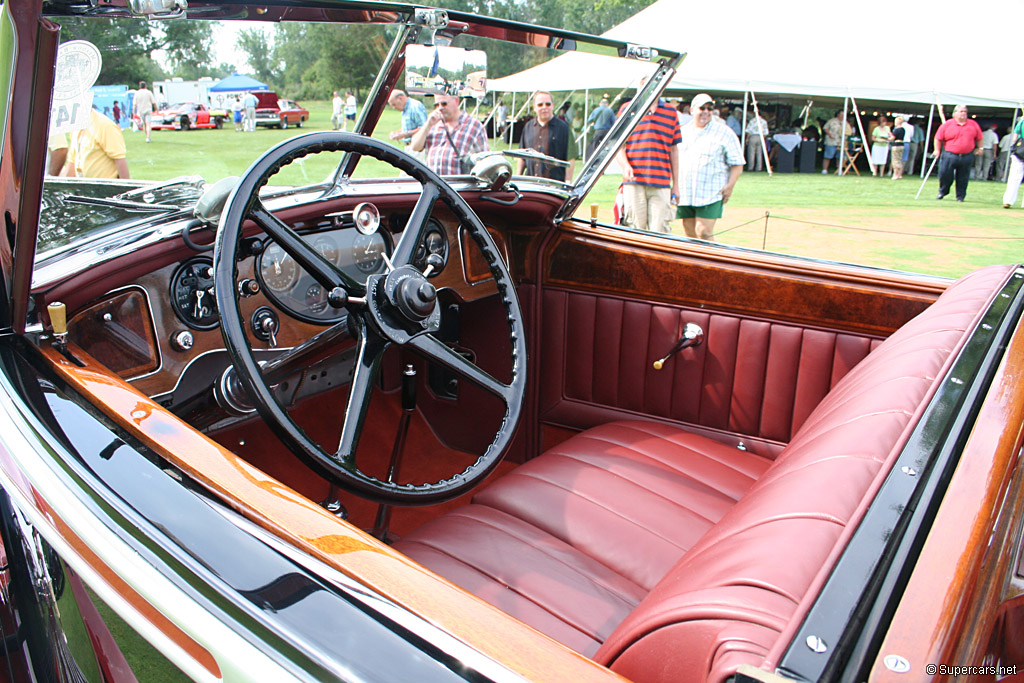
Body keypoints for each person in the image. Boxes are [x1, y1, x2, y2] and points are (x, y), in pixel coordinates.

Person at [675, 93, 743, 241]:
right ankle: (694, 263)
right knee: (689, 233)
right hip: (685, 191)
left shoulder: (724, 132)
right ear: (692, 110)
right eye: (702, 108)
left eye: (709, 108)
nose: (706, 111)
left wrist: (730, 186)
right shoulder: (681, 132)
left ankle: (710, 263)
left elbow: (737, 163)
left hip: (711, 191)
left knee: (704, 231)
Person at [614, 87, 680, 233]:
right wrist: (625, 166)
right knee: (634, 230)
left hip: (661, 182)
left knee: (660, 233)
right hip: (634, 181)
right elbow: (618, 146)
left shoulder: (671, 112)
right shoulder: (628, 109)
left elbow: (674, 150)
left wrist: (676, 185)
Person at [409, 94, 489, 175]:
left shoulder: (474, 126)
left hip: (460, 185)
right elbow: (415, 147)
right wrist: (428, 124)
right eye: (436, 105)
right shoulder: (433, 125)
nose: (440, 108)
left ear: (456, 101)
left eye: (444, 104)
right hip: (433, 184)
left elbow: (485, 161)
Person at [517, 91, 576, 182]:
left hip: (553, 186)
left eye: (548, 104)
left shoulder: (564, 128)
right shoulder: (528, 127)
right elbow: (522, 156)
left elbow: (570, 158)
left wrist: (568, 182)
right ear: (534, 107)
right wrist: (518, 178)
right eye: (540, 105)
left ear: (552, 105)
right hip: (530, 184)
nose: (544, 107)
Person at [934, 104, 983, 202]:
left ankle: (960, 196)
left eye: (965, 112)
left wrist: (980, 148)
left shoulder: (973, 124)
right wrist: (937, 150)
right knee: (945, 174)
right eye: (961, 111)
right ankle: (943, 191)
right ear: (955, 113)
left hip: (967, 155)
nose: (963, 114)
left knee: (963, 177)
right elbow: (938, 138)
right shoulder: (947, 124)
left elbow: (980, 138)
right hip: (949, 154)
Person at [62, 108, 129, 179]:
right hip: (84, 187)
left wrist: (125, 188)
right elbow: (72, 161)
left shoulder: (105, 125)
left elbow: (120, 159)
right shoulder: (75, 127)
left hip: (104, 187)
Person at [1001, 117, 1024, 208]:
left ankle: (1008, 200)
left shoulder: (1021, 122)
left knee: (1014, 177)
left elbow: (1015, 138)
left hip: (1019, 151)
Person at [822, 110, 851, 174]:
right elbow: (825, 128)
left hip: (841, 142)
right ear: (838, 115)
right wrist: (829, 134)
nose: (843, 116)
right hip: (831, 141)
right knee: (828, 156)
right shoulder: (831, 121)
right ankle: (825, 169)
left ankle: (839, 170)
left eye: (844, 115)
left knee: (840, 157)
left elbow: (849, 131)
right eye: (841, 115)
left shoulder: (846, 123)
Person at [744, 108, 768, 172]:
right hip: (760, 137)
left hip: (753, 136)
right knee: (759, 153)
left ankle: (751, 167)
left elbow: (749, 130)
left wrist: (747, 138)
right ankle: (759, 168)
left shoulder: (752, 121)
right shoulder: (764, 121)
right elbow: (766, 132)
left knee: (751, 153)